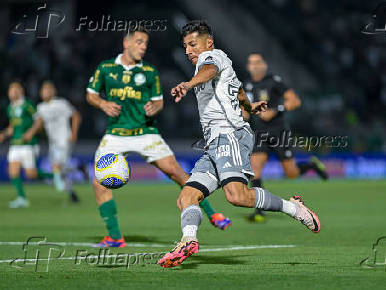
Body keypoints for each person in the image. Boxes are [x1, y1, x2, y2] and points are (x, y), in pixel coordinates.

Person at [158, 20, 321, 268]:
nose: (188, 51)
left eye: (193, 44)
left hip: (230, 135)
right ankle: (188, 241)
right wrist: (249, 107)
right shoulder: (222, 65)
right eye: (185, 46)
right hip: (214, 142)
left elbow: (210, 70)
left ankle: (294, 208)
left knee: (236, 196)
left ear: (208, 43)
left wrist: (188, 84)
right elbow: (239, 90)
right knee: (186, 197)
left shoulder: (212, 57)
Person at [86, 27, 231, 248]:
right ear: (127, 43)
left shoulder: (150, 71)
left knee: (177, 173)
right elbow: (91, 95)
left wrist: (155, 107)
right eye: (140, 42)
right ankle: (115, 237)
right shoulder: (106, 69)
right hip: (115, 134)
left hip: (146, 133)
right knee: (99, 183)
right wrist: (103, 103)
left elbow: (159, 101)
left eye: (146, 43)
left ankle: (213, 214)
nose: (144, 47)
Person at [244, 53, 328, 222]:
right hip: (260, 133)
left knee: (291, 173)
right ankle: (259, 211)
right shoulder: (246, 85)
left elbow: (295, 101)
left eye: (258, 62)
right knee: (255, 169)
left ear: (264, 65)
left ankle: (311, 164)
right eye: (251, 63)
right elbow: (246, 111)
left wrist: (276, 109)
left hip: (278, 131)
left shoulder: (274, 81)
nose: (254, 65)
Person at [23, 81, 81, 203]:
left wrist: (74, 133)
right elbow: (38, 124)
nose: (46, 92)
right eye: (44, 90)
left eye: (49, 89)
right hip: (53, 142)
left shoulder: (61, 103)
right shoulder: (40, 108)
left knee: (57, 167)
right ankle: (73, 189)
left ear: (54, 92)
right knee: (61, 170)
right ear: (41, 93)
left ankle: (62, 184)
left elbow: (76, 115)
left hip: (65, 139)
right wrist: (32, 132)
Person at [0, 81, 55, 208]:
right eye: (11, 90)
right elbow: (13, 127)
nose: (12, 92)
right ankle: (21, 198)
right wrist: (4, 134)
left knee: (31, 174)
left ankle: (55, 176)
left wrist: (31, 132)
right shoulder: (10, 108)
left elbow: (39, 121)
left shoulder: (28, 105)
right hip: (15, 144)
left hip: (28, 145)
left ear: (21, 91)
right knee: (12, 171)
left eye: (15, 90)